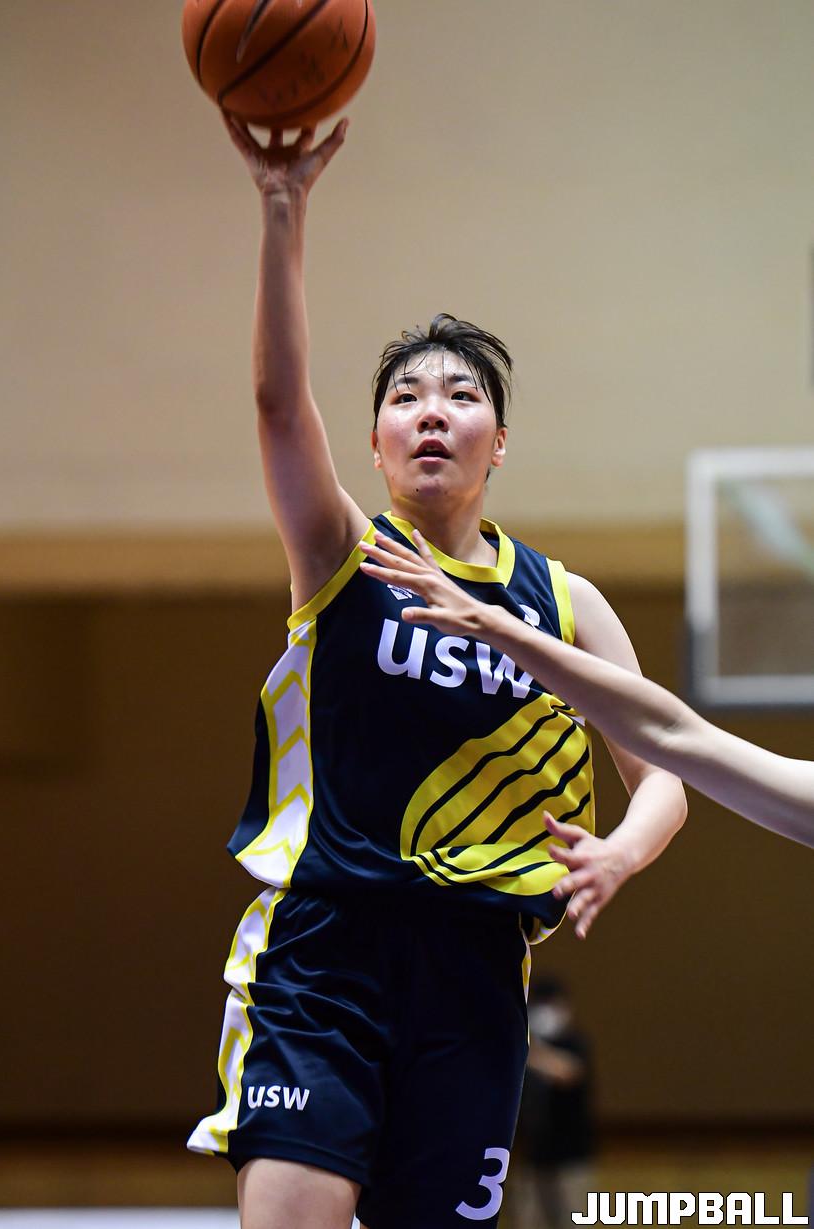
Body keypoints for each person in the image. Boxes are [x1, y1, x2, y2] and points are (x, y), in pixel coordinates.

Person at [187, 117, 687, 1229]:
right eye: (406, 396)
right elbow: (276, 404)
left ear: (497, 441)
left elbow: (666, 768)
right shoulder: (340, 554)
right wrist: (281, 208)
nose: (431, 410)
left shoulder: (567, 603)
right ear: (374, 441)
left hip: (474, 972)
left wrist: (620, 850)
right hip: (325, 952)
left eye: (460, 395)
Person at [359, 530, 814, 884]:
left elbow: (671, 743)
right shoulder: (349, 557)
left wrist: (492, 624)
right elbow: (673, 735)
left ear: (499, 446)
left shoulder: (564, 597)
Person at [512, 978, 595, 1229]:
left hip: (571, 1155)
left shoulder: (574, 1042)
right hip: (530, 1153)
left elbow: (568, 1073)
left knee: (573, 1218)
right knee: (528, 1219)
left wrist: (530, 1051)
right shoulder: (521, 1045)